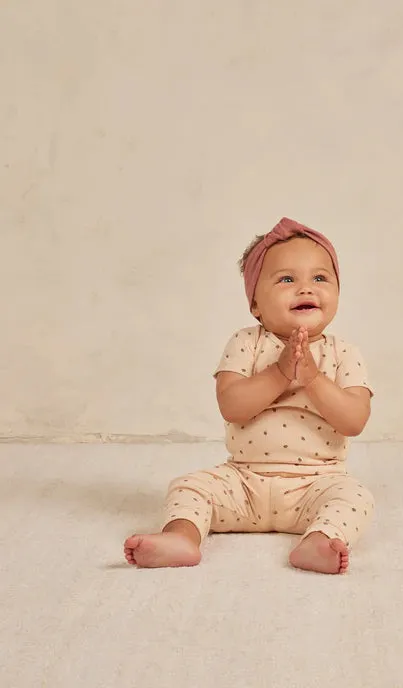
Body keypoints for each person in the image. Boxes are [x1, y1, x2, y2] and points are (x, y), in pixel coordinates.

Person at [124, 217, 375, 574]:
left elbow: (354, 420)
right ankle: (182, 537)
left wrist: (313, 378)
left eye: (320, 278)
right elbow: (232, 407)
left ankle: (319, 540)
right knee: (189, 486)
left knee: (355, 497)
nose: (306, 288)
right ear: (255, 303)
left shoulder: (344, 353)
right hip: (243, 482)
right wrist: (279, 372)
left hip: (317, 484)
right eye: (287, 279)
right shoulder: (246, 343)